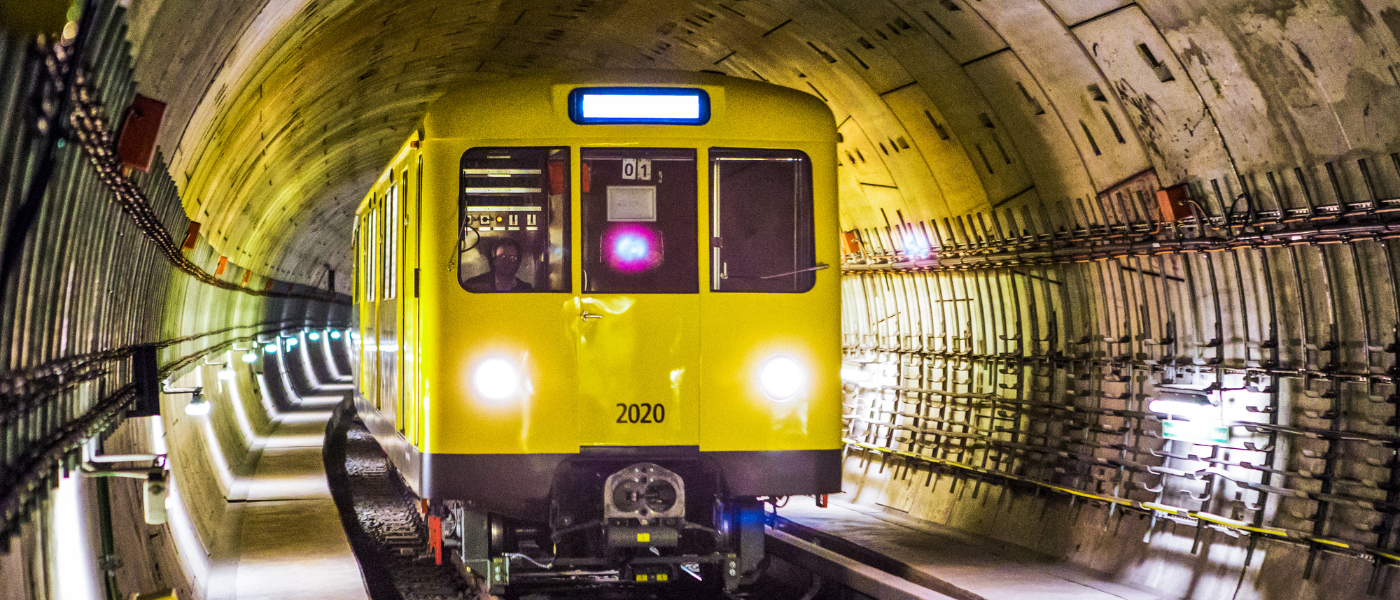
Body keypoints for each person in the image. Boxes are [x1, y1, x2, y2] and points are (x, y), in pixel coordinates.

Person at [464, 237, 534, 292]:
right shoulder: (475, 284)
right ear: (494, 260)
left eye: (512, 258)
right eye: (502, 257)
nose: (507, 262)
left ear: (518, 262)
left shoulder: (526, 289)